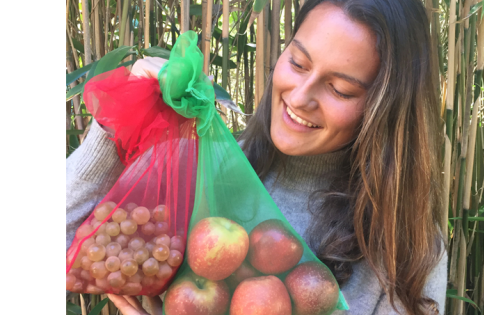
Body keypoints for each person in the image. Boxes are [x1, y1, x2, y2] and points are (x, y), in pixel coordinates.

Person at [66, 0, 448, 314]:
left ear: (384, 109)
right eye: (297, 63)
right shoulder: (201, 168)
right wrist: (120, 121)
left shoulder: (405, 249)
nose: (299, 97)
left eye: (340, 89)